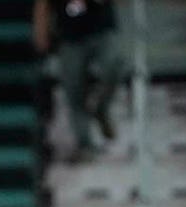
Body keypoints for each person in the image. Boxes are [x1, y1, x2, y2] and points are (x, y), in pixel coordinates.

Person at [33, 0, 126, 162]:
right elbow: (42, 4)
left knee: (115, 64)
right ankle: (85, 145)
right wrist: (41, 31)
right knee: (74, 91)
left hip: (101, 29)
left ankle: (101, 109)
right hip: (69, 37)